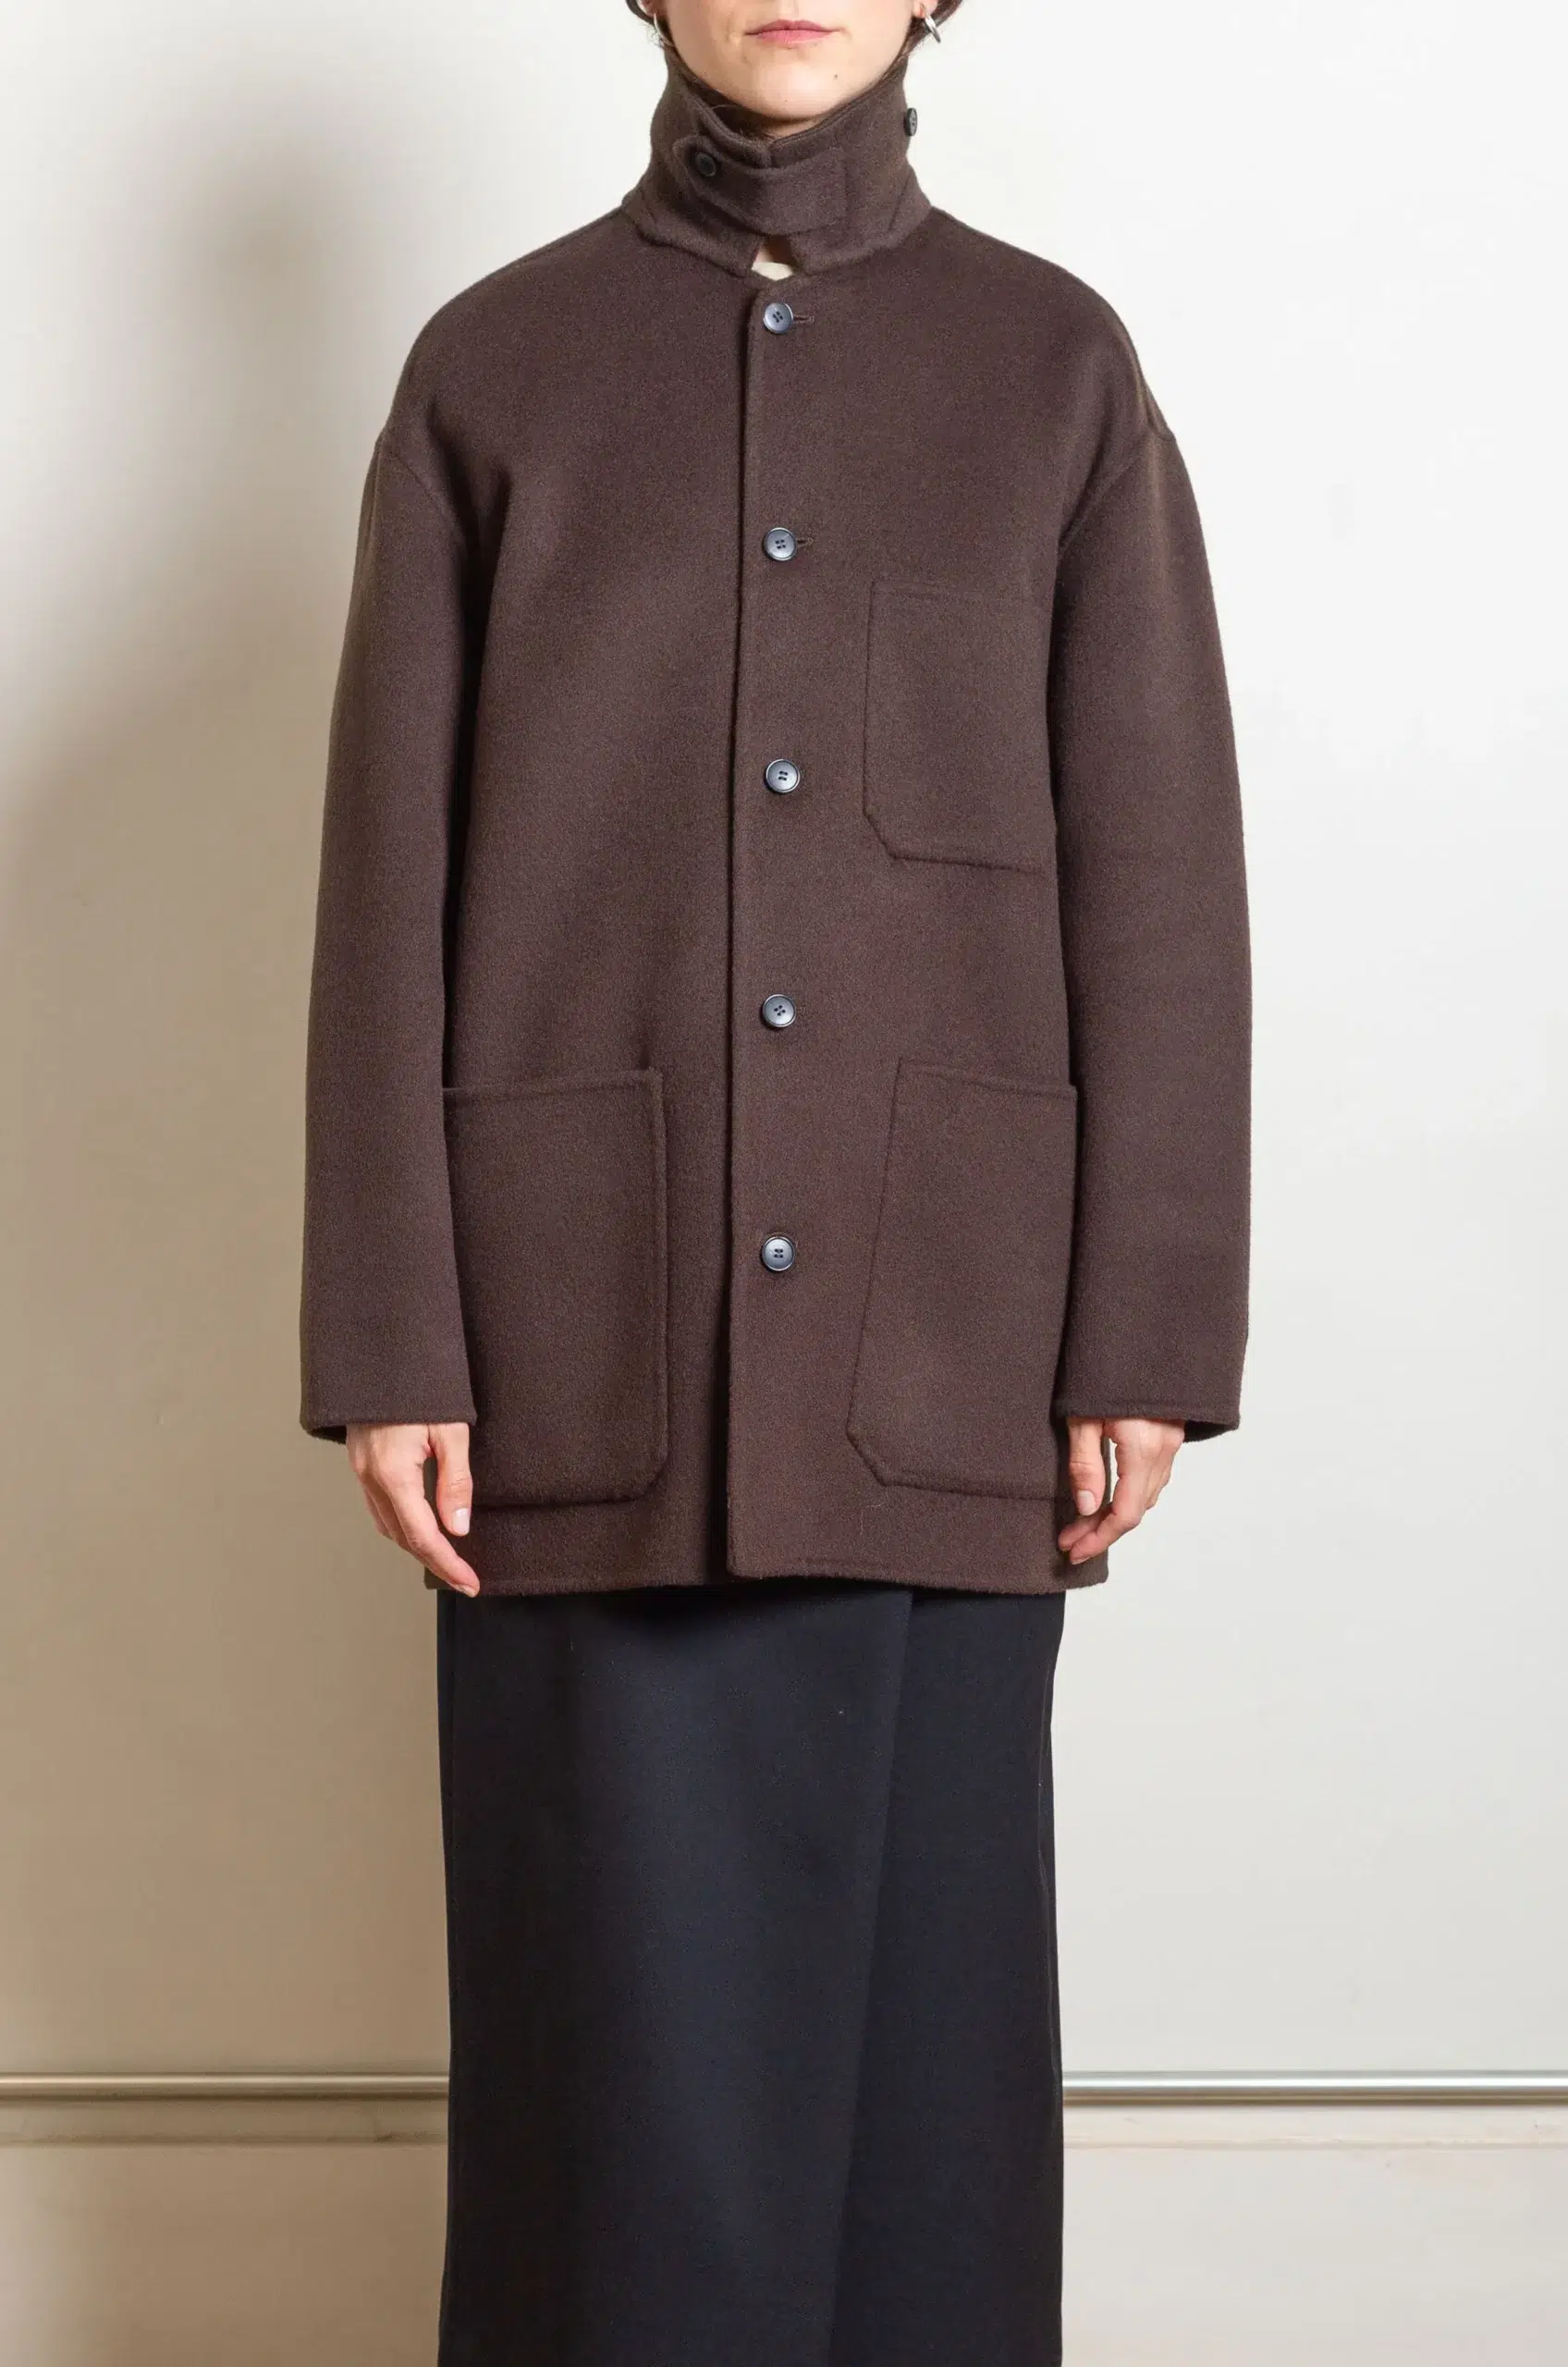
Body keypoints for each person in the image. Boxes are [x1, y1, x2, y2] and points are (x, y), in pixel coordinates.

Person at [298, 3, 1251, 2359]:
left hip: (949, 1354)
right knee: (603, 2103)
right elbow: (384, 885)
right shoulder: (490, 374)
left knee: (924, 2095)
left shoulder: (1055, 373)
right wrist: (395, 1334)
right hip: (569, 1363)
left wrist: (1139, 1331)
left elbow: (1156, 879)